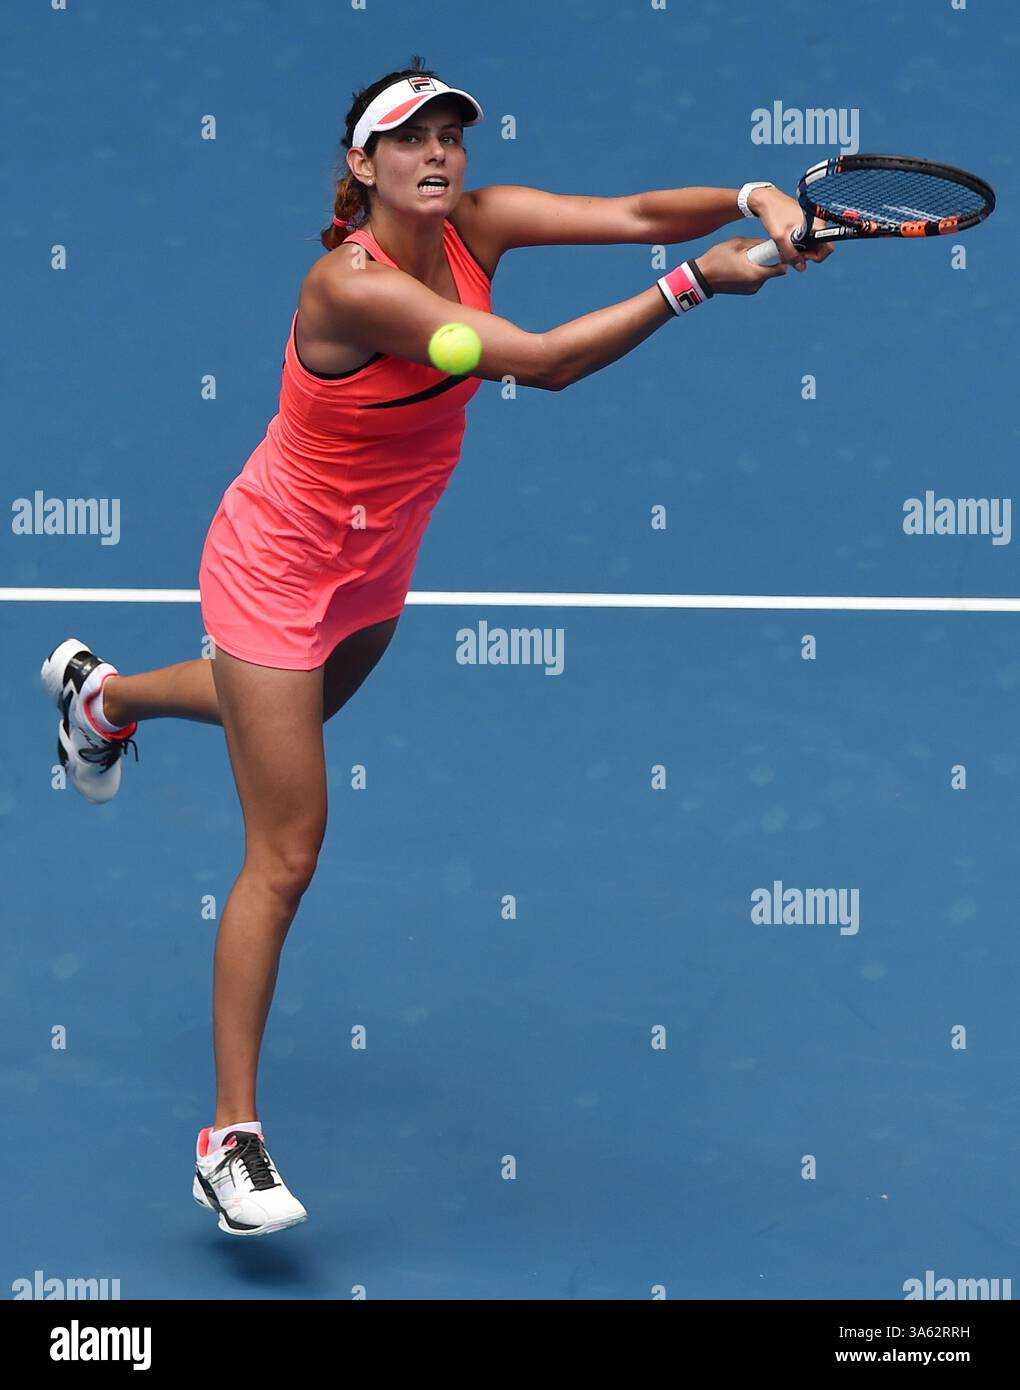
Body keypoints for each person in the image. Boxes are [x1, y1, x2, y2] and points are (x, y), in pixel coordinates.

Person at [39, 56, 831, 1237]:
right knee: (289, 845)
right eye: (411, 139)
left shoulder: (481, 223)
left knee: (296, 719)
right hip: (275, 565)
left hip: (375, 558)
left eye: (452, 135)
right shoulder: (346, 288)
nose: (440, 155)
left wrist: (749, 197)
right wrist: (695, 289)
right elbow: (544, 363)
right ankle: (228, 1140)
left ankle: (103, 704)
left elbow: (624, 214)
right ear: (362, 165)